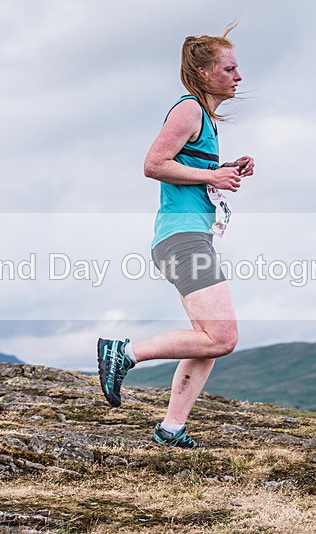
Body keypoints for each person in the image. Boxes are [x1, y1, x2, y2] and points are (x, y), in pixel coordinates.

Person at [97, 23, 255, 448]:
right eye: (230, 68)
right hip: (181, 238)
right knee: (222, 337)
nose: (238, 76)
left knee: (207, 342)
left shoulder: (204, 119)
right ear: (203, 72)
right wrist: (212, 174)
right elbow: (153, 164)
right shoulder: (187, 109)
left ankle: (171, 429)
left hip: (190, 237)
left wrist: (225, 170)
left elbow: (188, 171)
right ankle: (123, 353)